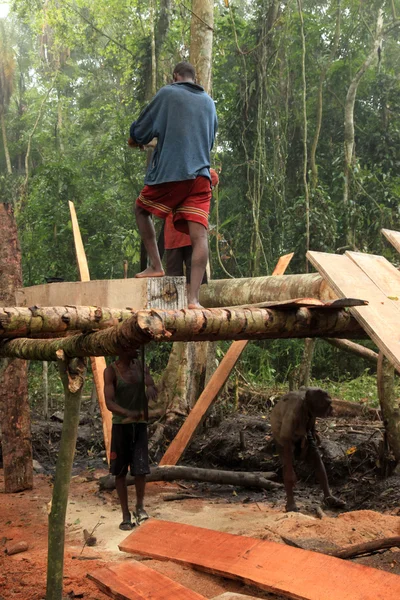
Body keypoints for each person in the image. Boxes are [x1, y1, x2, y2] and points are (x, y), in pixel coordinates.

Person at [129, 61, 218, 309]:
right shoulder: (209, 103)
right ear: (194, 77)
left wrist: (135, 138)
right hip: (201, 177)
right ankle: (194, 300)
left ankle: (155, 266)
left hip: (174, 174)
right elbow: (208, 142)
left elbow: (140, 131)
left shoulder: (168, 93)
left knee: (140, 209)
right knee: (199, 236)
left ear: (175, 77)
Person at [104, 349, 158, 530]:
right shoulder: (111, 371)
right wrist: (128, 413)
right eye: (132, 346)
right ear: (124, 348)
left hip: (140, 424)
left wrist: (150, 386)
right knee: (120, 471)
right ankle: (125, 514)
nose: (136, 350)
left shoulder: (141, 366)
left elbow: (150, 382)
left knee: (140, 468)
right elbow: (109, 402)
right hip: (121, 426)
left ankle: (140, 507)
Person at [270, 387, 346, 513]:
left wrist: (312, 431)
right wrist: (290, 469)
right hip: (282, 429)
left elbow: (311, 415)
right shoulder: (293, 413)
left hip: (303, 428)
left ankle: (328, 496)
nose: (329, 411)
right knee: (287, 465)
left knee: (316, 457)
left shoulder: (311, 402)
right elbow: (286, 439)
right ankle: (290, 502)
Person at [164, 168, 219, 283]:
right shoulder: (168, 172)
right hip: (173, 233)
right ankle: (183, 299)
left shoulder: (195, 168)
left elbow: (213, 176)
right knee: (173, 280)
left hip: (193, 232)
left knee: (195, 275)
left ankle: (195, 300)